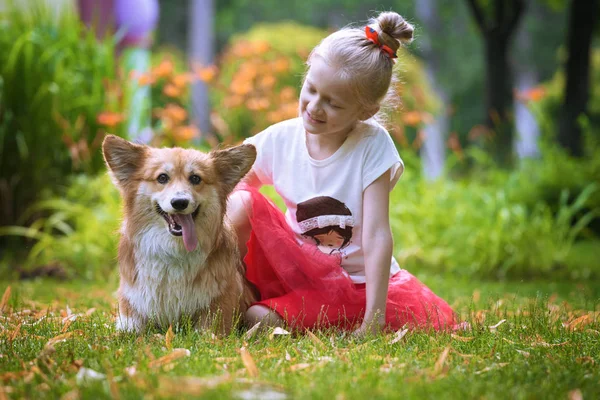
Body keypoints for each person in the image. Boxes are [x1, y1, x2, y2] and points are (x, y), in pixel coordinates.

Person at [227, 11, 456, 335]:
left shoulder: (372, 146)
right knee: (238, 201)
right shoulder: (280, 138)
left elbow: (376, 235)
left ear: (366, 111)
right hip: (299, 271)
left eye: (333, 103)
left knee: (258, 320)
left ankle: (341, 319)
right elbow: (228, 188)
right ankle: (217, 295)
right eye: (311, 89)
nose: (314, 106)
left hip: (358, 285)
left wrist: (373, 321)